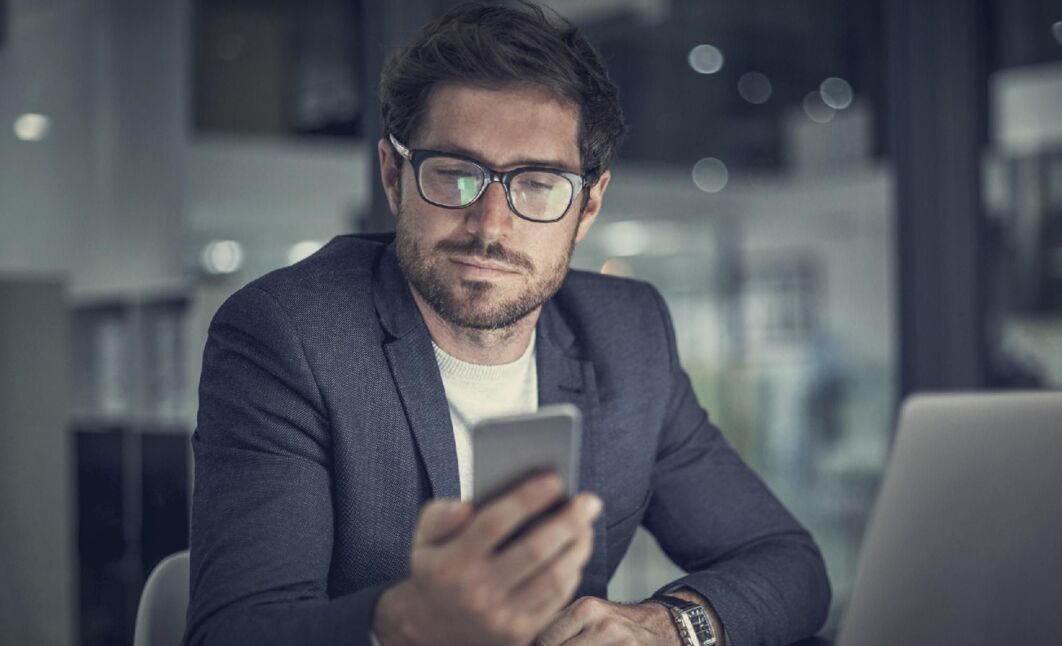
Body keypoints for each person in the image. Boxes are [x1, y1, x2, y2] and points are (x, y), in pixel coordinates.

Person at [186, 2, 831, 645]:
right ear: (393, 176)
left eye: (538, 185)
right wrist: (409, 622)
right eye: (455, 175)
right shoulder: (289, 336)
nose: (490, 226)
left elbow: (788, 566)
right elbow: (234, 633)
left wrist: (666, 627)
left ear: (588, 206)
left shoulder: (628, 335)